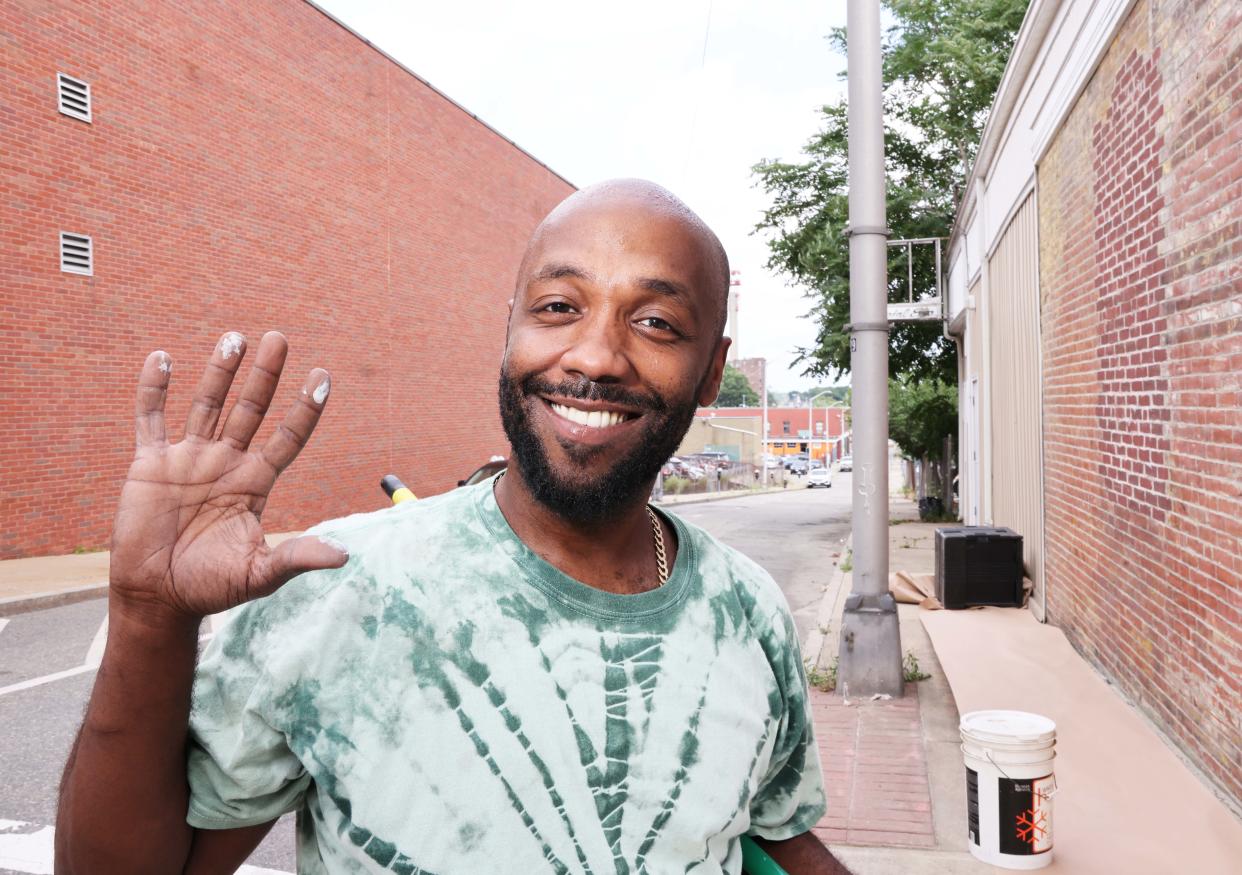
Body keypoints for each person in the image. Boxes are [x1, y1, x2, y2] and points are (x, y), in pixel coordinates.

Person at [56, 180, 851, 874]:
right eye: (559, 307)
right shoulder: (341, 583)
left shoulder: (748, 611)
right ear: (509, 328)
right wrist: (149, 616)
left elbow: (771, 835)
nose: (598, 355)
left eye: (655, 322)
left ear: (713, 368)